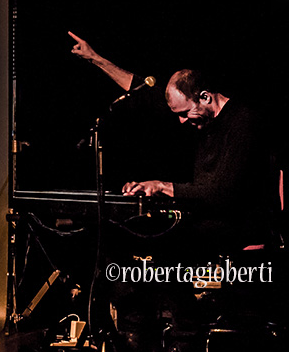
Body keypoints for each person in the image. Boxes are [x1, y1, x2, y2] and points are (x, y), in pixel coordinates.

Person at [69, 31, 274, 252]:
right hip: (209, 229)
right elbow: (143, 92)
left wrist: (161, 186)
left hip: (242, 233)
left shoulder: (243, 122)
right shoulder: (197, 114)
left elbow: (221, 194)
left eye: (185, 113)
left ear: (204, 97)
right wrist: (95, 58)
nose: (181, 121)